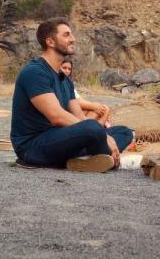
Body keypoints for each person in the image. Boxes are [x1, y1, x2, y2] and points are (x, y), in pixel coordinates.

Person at [10, 18, 134, 173]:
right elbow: (57, 117)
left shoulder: (64, 79)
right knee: (93, 129)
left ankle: (89, 159)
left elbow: (80, 119)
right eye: (66, 35)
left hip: (59, 138)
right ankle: (102, 156)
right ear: (50, 42)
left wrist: (101, 133)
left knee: (124, 131)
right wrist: (102, 134)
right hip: (33, 147)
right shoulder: (35, 72)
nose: (73, 39)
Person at [59, 57, 111, 128]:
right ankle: (98, 127)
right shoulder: (57, 83)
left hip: (75, 113)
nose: (67, 71)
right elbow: (74, 101)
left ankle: (96, 127)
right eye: (64, 68)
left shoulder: (68, 82)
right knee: (100, 110)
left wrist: (96, 106)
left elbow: (79, 99)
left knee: (101, 109)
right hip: (66, 114)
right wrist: (94, 106)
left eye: (69, 69)